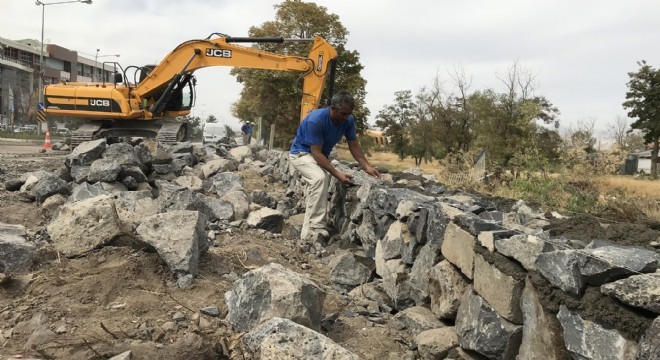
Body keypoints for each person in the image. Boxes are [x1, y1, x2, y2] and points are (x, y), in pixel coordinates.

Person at [289, 90, 380, 242]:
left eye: (348, 114)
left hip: (319, 154)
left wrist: (366, 166)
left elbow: (354, 145)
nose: (346, 117)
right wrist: (337, 174)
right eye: (343, 113)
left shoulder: (348, 119)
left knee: (320, 180)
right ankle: (313, 230)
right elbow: (316, 153)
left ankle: (311, 229)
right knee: (319, 179)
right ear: (333, 108)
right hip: (301, 153)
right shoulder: (316, 120)